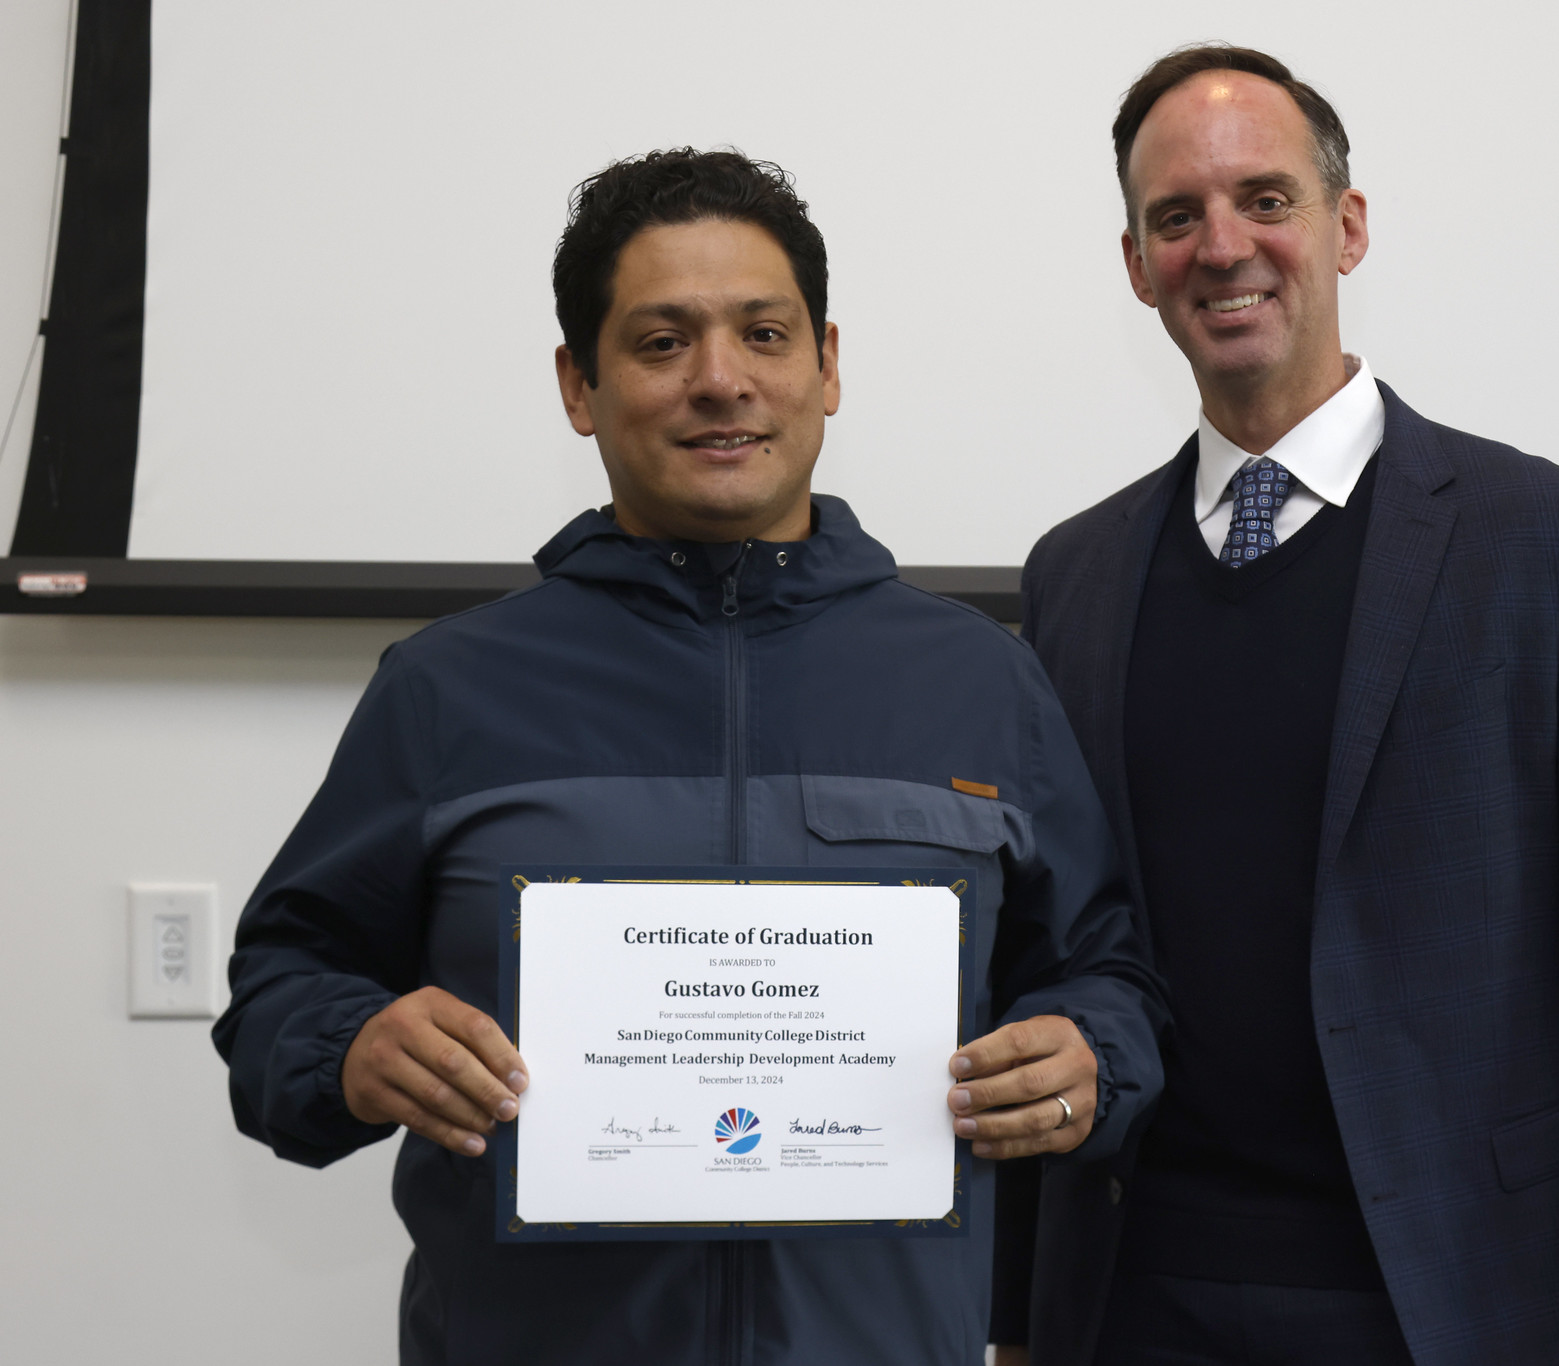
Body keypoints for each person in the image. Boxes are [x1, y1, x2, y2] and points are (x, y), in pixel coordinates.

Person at [212, 148, 1165, 1366]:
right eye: (662, 342)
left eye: (763, 335)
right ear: (579, 384)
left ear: (827, 365)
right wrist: (349, 1047)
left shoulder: (980, 681)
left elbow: (1108, 975)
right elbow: (282, 983)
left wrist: (1088, 1059)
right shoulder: (448, 687)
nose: (721, 381)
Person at [994, 45, 1559, 1366]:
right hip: (1128, 1303)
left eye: (1264, 200)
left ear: (1345, 226)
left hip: (1449, 1304)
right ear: (1134, 264)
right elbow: (1049, 955)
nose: (1223, 247)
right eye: (1177, 217)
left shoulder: (1550, 542)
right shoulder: (1076, 575)